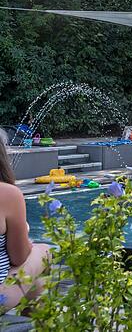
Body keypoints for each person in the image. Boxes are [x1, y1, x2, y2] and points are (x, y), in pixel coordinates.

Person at [0, 129, 50, 310]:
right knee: (44, 251)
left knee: (34, 285)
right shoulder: (6, 194)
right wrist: (25, 236)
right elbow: (19, 257)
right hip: (1, 297)